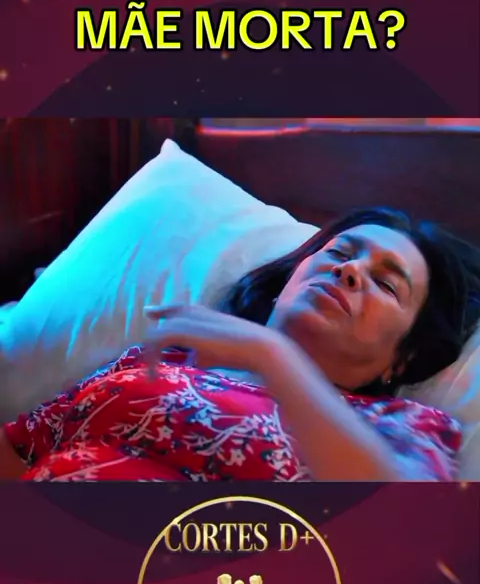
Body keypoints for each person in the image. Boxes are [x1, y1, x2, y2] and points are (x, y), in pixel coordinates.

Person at [1, 207, 479, 482]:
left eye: (387, 284)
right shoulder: (162, 360)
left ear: (403, 359)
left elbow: (400, 528)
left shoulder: (400, 428)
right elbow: (17, 451)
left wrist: (274, 357)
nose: (350, 270)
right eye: (339, 252)